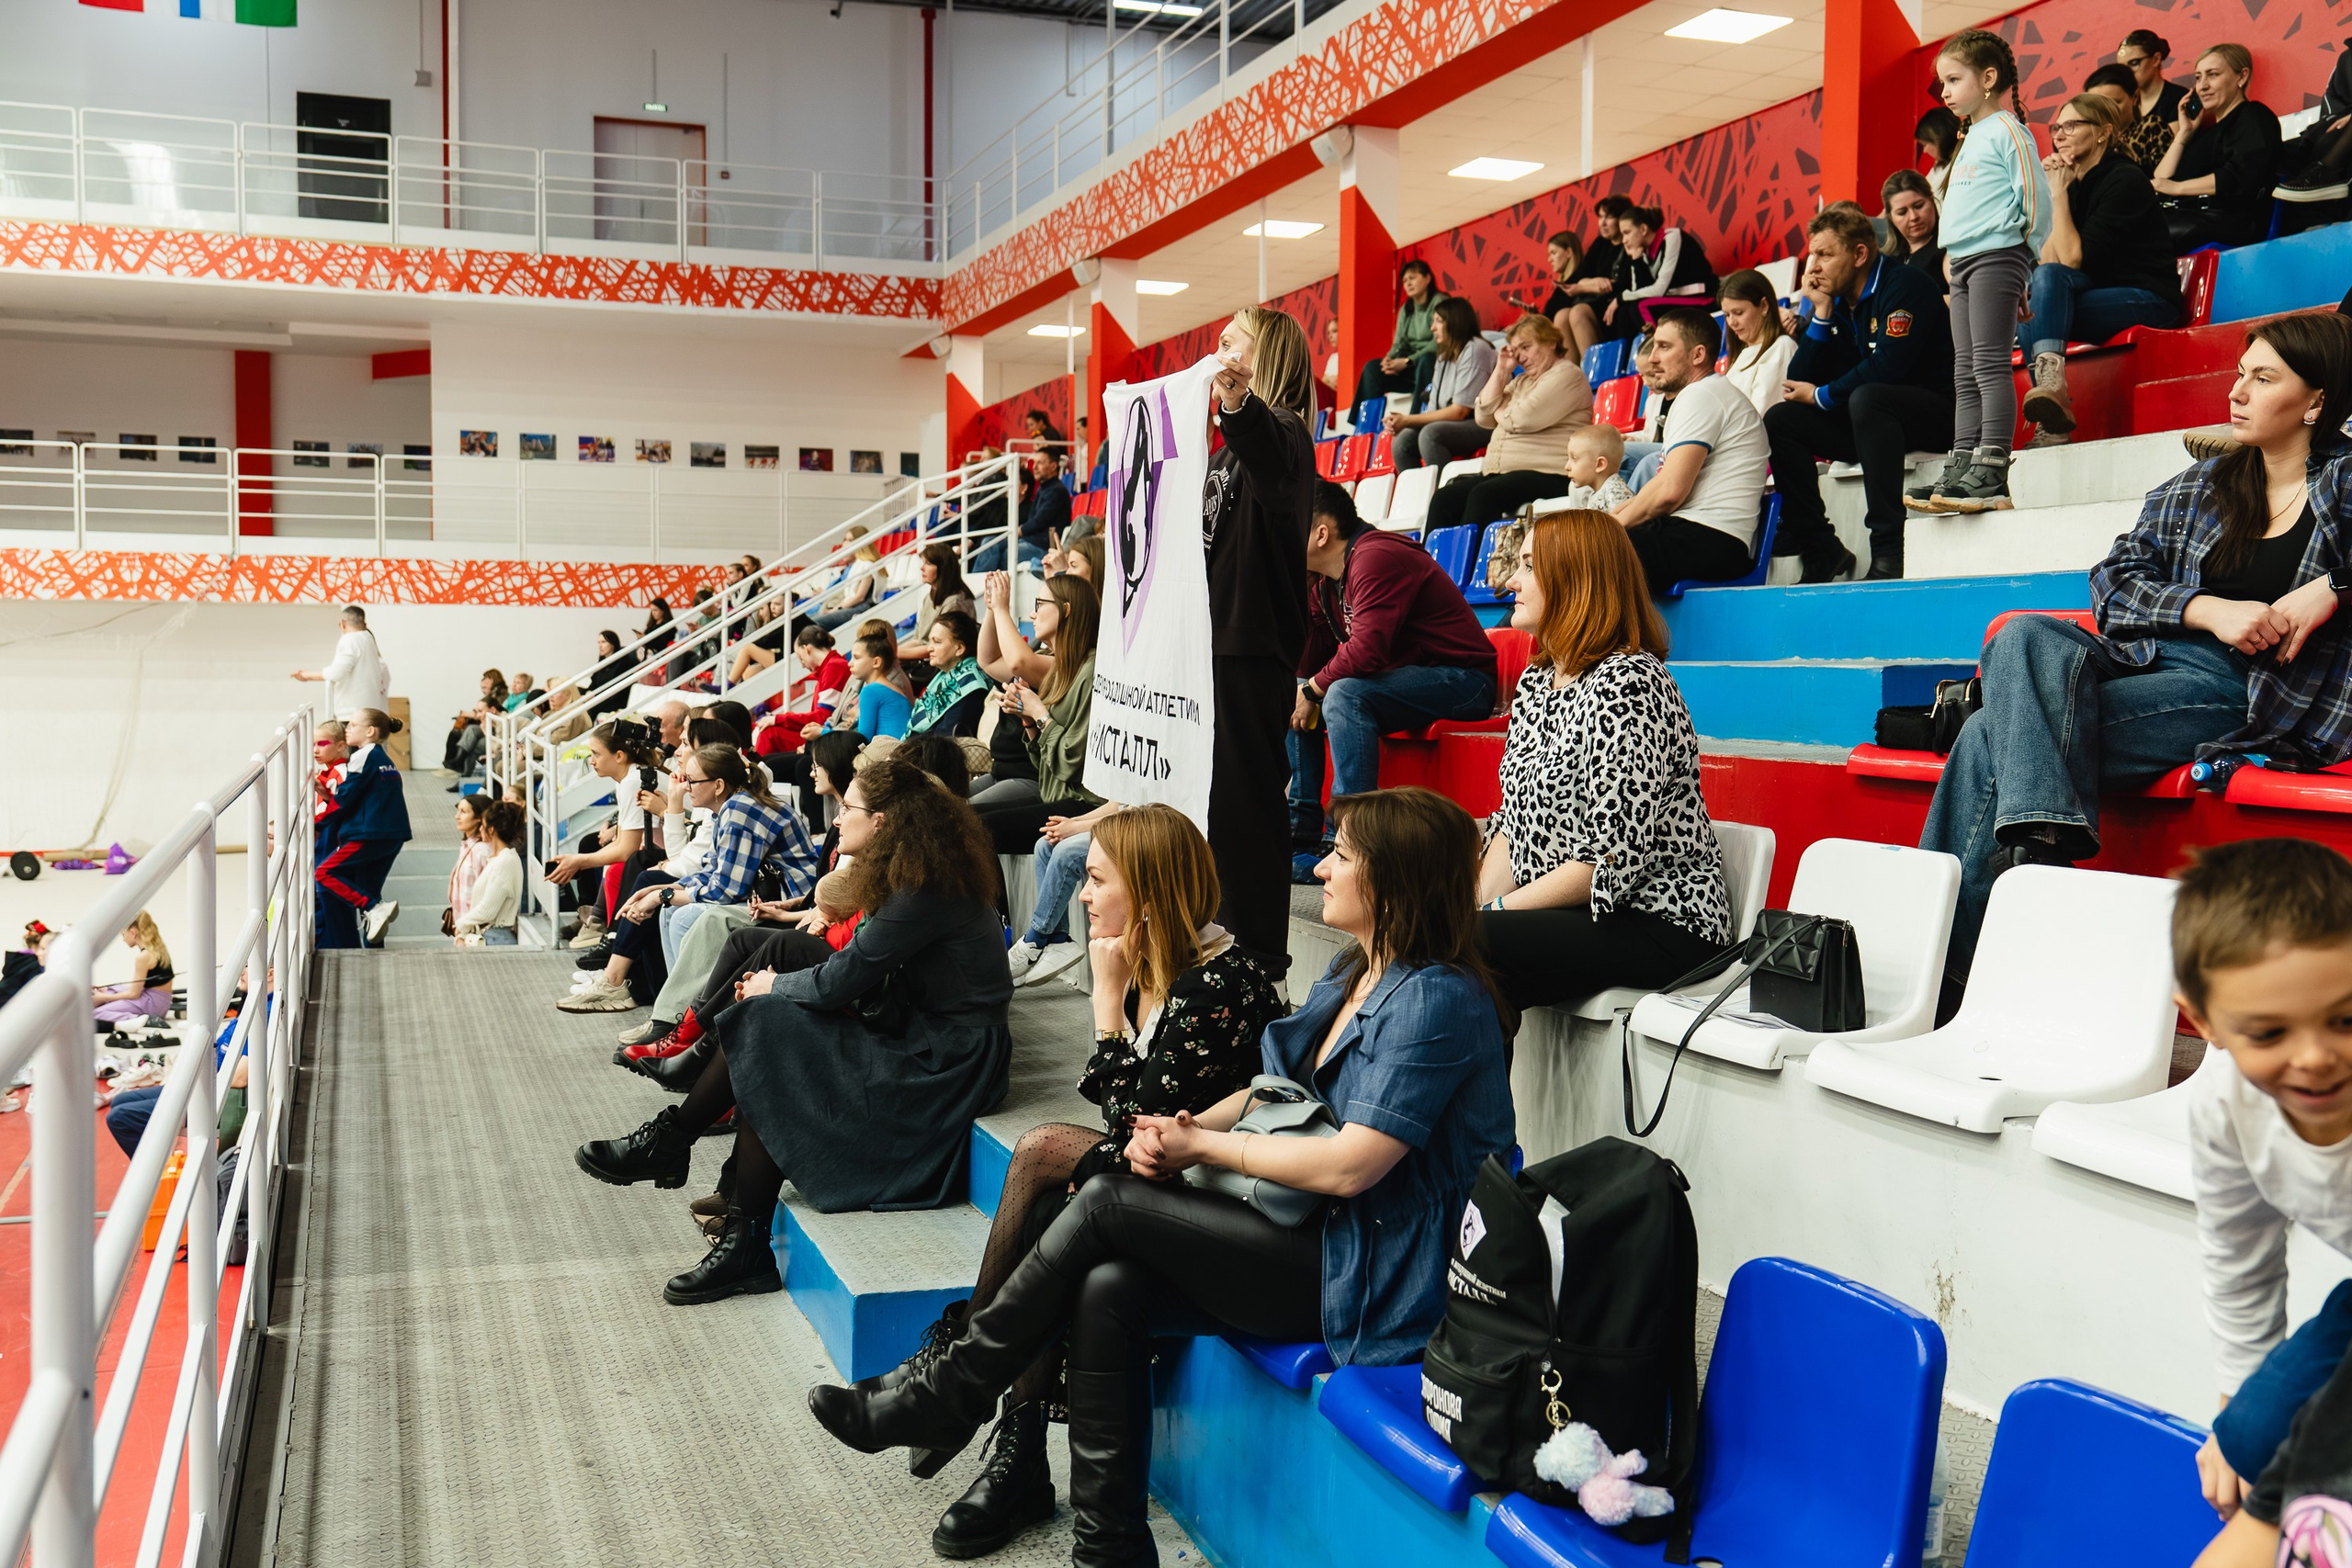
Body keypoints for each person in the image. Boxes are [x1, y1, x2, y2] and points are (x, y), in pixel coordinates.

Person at [805, 785, 1514, 1568]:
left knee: (1106, 1198)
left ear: (1397, 877)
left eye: (1343, 855)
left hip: (1369, 1271)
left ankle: (955, 1387)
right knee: (1109, 1287)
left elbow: (1352, 1166)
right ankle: (1107, 1550)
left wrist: (1208, 1152)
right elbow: (1279, 1089)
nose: (1322, 866)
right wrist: (1189, 1129)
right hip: (1305, 1231)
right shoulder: (1356, 969)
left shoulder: (1437, 1000)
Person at [858, 805, 1284, 1559]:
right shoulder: (1162, 957)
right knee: (1046, 1168)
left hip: (1217, 1206)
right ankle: (992, 1424)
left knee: (1051, 1165)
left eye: (1095, 880)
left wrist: (1103, 1006)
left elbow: (1136, 1133)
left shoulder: (1217, 983)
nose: (1083, 897)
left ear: (1148, 892)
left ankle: (974, 1400)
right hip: (1163, 1180)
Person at [1918, 313, 2352, 987]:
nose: (2237, 392)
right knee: (2022, 635)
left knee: (1984, 735)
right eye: (2240, 374)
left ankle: (1943, 983)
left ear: (2317, 401)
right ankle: (2041, 857)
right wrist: (2207, 609)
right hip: (2145, 661)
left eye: (2263, 379)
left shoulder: (2344, 485)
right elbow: (2113, 584)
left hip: (2244, 691)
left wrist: (2330, 586)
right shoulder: (2200, 485)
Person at [574, 759, 1013, 1301]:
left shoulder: (923, 890)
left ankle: (689, 1163)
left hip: (946, 1061)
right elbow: (851, 972)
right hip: (925, 1036)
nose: (837, 819)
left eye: (848, 807)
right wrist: (779, 987)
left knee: (768, 1019)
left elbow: (838, 982)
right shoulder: (917, 874)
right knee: (769, 1018)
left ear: (882, 822)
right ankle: (717, 1201)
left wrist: (772, 988)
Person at [2154, 840, 2352, 1537]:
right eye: (2269, 1032)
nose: (2317, 1055)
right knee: (2248, 1437)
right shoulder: (2222, 1105)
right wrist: (2242, 1403)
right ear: (2203, 1022)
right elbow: (2240, 1255)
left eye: (2346, 1019)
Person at [1476, 508, 1732, 1008]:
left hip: (1661, 921)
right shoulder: (1537, 681)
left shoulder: (1629, 684)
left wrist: (1493, 914)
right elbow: (1515, 824)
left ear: (1576, 578)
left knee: (1469, 944)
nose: (1511, 581)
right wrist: (1476, 906)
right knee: (1450, 950)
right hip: (1581, 914)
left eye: (1529, 566)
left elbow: (1605, 862)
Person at [1288, 479, 1496, 873]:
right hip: (1407, 679)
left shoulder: (1376, 557)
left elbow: (1367, 652)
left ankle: (1350, 842)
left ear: (1320, 534)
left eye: (1289, 526)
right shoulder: (1327, 582)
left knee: (1342, 693)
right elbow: (1309, 661)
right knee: (1297, 689)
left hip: (1462, 680)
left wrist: (1314, 687)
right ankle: (1300, 832)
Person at [1201, 305, 1320, 964]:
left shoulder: (1286, 431)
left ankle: (1257, 959)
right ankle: (1222, 946)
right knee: (1220, 808)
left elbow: (1265, 444)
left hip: (1250, 645)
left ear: (1263, 355)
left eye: (1230, 342)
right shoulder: (1229, 446)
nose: (1217, 351)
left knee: (1246, 807)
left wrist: (1236, 397)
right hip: (1216, 642)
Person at [1902, 29, 2052, 518]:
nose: (1944, 91)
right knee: (1963, 371)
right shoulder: (1969, 136)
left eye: (1953, 79)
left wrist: (2024, 263)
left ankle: (1992, 468)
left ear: (1988, 79)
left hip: (1997, 258)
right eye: (1942, 81)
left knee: (1987, 365)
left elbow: (2035, 203)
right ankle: (1962, 463)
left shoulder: (2009, 130)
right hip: (1964, 264)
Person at [1766, 205, 1958, 582]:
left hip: (1936, 415)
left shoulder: (1906, 284)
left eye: (1824, 254)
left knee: (1868, 396)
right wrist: (1820, 315)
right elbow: (1796, 384)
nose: (1813, 267)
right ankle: (1820, 547)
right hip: (1871, 421)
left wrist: (1821, 395)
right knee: (1782, 420)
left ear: (1859, 255)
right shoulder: (1835, 302)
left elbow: (1889, 367)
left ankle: (1889, 552)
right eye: (1811, 256)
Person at [559, 743, 813, 1011]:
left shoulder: (740, 809)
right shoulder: (731, 806)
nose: (685, 786)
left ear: (717, 785)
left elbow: (727, 890)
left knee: (682, 914)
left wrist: (661, 896)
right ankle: (677, 1010)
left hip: (791, 907)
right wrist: (662, 889)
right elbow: (712, 871)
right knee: (669, 908)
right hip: (769, 899)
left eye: (692, 780)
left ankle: (687, 1013)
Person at [2018, 91, 2183, 443]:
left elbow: (2074, 260)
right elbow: (2051, 263)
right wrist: (2049, 195)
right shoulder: (2069, 183)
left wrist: (2058, 195)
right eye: (2056, 127)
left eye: (2072, 125)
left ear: (2103, 132)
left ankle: (2052, 407)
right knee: (2031, 307)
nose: (2059, 134)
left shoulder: (2124, 179)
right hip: (2096, 294)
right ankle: (2053, 404)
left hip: (2150, 298)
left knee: (2038, 307)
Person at [1609, 310, 1770, 594]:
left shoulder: (1702, 394)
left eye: (1665, 347)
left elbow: (1670, 491)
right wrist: (1607, 523)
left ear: (1697, 355)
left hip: (1712, 539)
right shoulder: (1702, 393)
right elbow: (1660, 484)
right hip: (1702, 535)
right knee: (1583, 552)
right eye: (1655, 345)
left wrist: (1605, 531)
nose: (1653, 357)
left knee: (1588, 557)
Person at [1423, 314, 1595, 536]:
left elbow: (1521, 419)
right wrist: (1502, 370)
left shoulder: (1567, 374)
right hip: (1506, 473)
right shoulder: (1522, 381)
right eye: (1516, 350)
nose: (1521, 357)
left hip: (1551, 473)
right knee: (1444, 498)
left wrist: (1501, 410)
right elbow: (1483, 416)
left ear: (1551, 342)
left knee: (1484, 495)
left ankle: (1471, 567)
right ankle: (1432, 566)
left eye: (1526, 347)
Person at [971, 576, 1103, 853]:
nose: (1032, 613)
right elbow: (1042, 761)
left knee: (970, 828)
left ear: (1066, 610)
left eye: (1040, 604)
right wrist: (1029, 720)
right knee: (962, 822)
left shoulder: (1089, 670)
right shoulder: (1064, 667)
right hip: (1052, 794)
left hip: (1082, 804)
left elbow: (1070, 762)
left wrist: (1038, 713)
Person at [2153, 43, 2284, 250]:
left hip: (2224, 220)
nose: (2202, 86)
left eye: (2212, 75)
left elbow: (2240, 176)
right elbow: (2162, 181)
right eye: (2198, 77)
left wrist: (2179, 188)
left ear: (2241, 77)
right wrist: (2184, 134)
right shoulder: (2202, 132)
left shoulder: (2253, 115)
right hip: (2188, 219)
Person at [544, 719, 664, 933]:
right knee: (604, 859)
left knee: (615, 868)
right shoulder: (628, 778)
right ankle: (602, 927)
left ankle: (609, 933)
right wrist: (578, 862)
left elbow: (626, 850)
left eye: (596, 754)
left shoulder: (632, 781)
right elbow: (622, 843)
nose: (591, 761)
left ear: (619, 756)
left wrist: (578, 862)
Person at [315, 707, 413, 950]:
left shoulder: (363, 756)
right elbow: (360, 795)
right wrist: (326, 794)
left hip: (370, 834)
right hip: (392, 834)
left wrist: (319, 822)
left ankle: (373, 907)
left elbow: (347, 796)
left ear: (370, 731)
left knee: (324, 874)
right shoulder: (383, 759)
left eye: (352, 726)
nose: (347, 729)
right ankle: (374, 948)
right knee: (368, 888)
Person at [1003, 797, 1123, 986]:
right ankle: (1059, 940)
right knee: (1044, 845)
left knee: (1066, 851)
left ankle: (1035, 938)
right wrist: (1073, 822)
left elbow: (1135, 812)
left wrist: (1076, 828)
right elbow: (1116, 804)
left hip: (1140, 827)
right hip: (1118, 820)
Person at [1385, 297, 1498, 472]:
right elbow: (1433, 410)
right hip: (1453, 423)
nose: (1432, 328)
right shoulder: (1444, 355)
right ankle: (1420, 496)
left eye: (1438, 321)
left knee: (1430, 435)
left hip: (1484, 424)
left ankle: (1443, 493)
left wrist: (1407, 419)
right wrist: (1405, 423)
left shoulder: (1476, 349)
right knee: (1402, 441)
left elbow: (1460, 411)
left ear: (1455, 322)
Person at [1598, 205, 1718, 341]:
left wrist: (1621, 297)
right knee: (1625, 310)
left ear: (1643, 229)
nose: (1624, 240)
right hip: (1675, 299)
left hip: (1703, 298)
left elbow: (1659, 289)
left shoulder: (1673, 237)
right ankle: (1629, 359)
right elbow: (1640, 290)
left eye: (1627, 232)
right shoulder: (1643, 251)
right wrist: (1636, 261)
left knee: (1640, 306)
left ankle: (1658, 350)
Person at [1352, 259, 1447, 408]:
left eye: (1412, 278)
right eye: (1405, 281)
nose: (1408, 283)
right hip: (1408, 366)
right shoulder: (1406, 309)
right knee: (1372, 368)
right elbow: (1399, 343)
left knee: (1426, 360)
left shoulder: (1440, 302)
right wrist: (1389, 360)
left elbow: (1439, 342)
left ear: (1428, 278)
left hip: (1430, 364)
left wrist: (1408, 361)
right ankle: (1364, 427)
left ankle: (1414, 422)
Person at [752, 626, 851, 756]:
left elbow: (822, 717)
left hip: (825, 739)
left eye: (800, 658)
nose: (803, 665)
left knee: (769, 734)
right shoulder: (831, 667)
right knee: (766, 731)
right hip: (824, 733)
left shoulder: (834, 667)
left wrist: (778, 719)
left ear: (807, 649)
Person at [2276, 45, 2352, 206]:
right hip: (2331, 129)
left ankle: (2326, 174)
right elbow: (2333, 105)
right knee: (2270, 153)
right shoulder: (2347, 58)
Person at [1560, 195, 1634, 356]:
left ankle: (1591, 373)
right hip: (1596, 303)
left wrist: (1584, 286)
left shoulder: (1632, 243)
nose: (1602, 223)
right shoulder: (1600, 244)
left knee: (1578, 312)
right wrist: (1595, 283)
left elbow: (1620, 284)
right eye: (1600, 217)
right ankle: (1572, 373)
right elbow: (1580, 278)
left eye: (1609, 217)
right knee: (1561, 315)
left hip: (1615, 307)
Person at [1718, 268, 1797, 416]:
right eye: (1727, 315)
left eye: (1738, 313)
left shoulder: (1781, 347)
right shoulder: (1742, 354)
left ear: (1764, 306)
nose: (1731, 322)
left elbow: (1761, 415)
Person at [291, 604, 390, 721]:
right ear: (364, 624)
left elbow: (336, 673)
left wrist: (308, 675)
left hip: (353, 713)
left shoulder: (350, 639)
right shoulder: (368, 639)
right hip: (372, 709)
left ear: (342, 624)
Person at [974, 453, 1068, 574]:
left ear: (1054, 466)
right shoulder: (1043, 489)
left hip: (1043, 547)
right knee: (988, 542)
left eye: (1040, 463)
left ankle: (985, 585)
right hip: (1028, 541)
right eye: (1034, 463)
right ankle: (979, 584)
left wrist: (1019, 531)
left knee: (1006, 555)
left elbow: (1039, 521)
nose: (1034, 467)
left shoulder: (1057, 490)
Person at [2115, 30, 2193, 172]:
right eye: (2121, 68)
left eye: (2133, 63)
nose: (2126, 73)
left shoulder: (2179, 99)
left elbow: (2170, 153)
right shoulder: (2127, 103)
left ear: (2156, 59)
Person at [908, 610, 990, 739]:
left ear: (959, 649)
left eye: (937, 642)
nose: (929, 648)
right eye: (930, 641)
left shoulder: (970, 686)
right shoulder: (946, 675)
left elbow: (946, 739)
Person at [453, 799, 525, 946]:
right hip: (494, 936)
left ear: (491, 830)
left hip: (495, 938)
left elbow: (487, 910)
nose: (480, 830)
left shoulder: (504, 862)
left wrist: (460, 926)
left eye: (483, 826)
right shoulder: (504, 858)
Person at [89, 912, 174, 1028]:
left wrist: (103, 998)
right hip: (162, 1002)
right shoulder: (157, 950)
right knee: (111, 990)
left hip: (153, 1005)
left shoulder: (143, 957)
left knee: (96, 1013)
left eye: (123, 934)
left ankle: (144, 1019)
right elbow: (137, 989)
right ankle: (106, 994)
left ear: (133, 933)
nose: (123, 939)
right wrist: (106, 991)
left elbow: (134, 994)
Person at [901, 543, 978, 663]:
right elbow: (918, 639)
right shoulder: (928, 598)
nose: (922, 568)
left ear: (943, 568)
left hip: (946, 665)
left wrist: (893, 653)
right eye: (923, 563)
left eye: (928, 563)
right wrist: (892, 651)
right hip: (927, 662)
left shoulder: (956, 603)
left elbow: (942, 649)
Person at [1513, 230, 1586, 343]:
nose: (1549, 259)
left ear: (1569, 252)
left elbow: (1557, 321)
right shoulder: (1562, 286)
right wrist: (1536, 315)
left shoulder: (1578, 283)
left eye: (1553, 253)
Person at [1881, 169, 1946, 288]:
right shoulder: (1888, 259)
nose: (1913, 217)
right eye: (1902, 212)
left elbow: (1963, 298)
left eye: (1919, 206)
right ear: (1891, 218)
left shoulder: (1947, 248)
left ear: (1932, 201)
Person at [809, 527, 881, 633]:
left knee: (813, 623)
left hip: (860, 608)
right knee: (808, 621)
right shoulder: (857, 566)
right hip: (849, 606)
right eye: (845, 539)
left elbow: (860, 597)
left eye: (850, 540)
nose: (846, 543)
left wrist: (836, 609)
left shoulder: (867, 565)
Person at [1557, 423, 1635, 511]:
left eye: (1574, 458)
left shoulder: (1615, 491)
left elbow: (1621, 522)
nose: (1567, 467)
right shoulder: (1597, 492)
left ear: (1600, 464)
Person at [444, 795, 489, 937]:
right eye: (458, 811)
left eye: (464, 812)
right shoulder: (466, 846)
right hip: (463, 927)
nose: (457, 816)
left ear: (479, 818)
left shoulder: (482, 851)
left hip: (475, 931)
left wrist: (464, 930)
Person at [1917, 106, 1963, 200]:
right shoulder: (1938, 166)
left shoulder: (1961, 165)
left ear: (1939, 138)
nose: (1925, 151)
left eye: (1925, 145)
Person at [587, 629, 634, 718]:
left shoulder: (623, 663)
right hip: (599, 698)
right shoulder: (602, 661)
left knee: (589, 707)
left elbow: (618, 693)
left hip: (613, 701)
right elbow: (594, 681)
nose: (600, 646)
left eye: (603, 642)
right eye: (598, 642)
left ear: (613, 644)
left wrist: (595, 697)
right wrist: (589, 692)